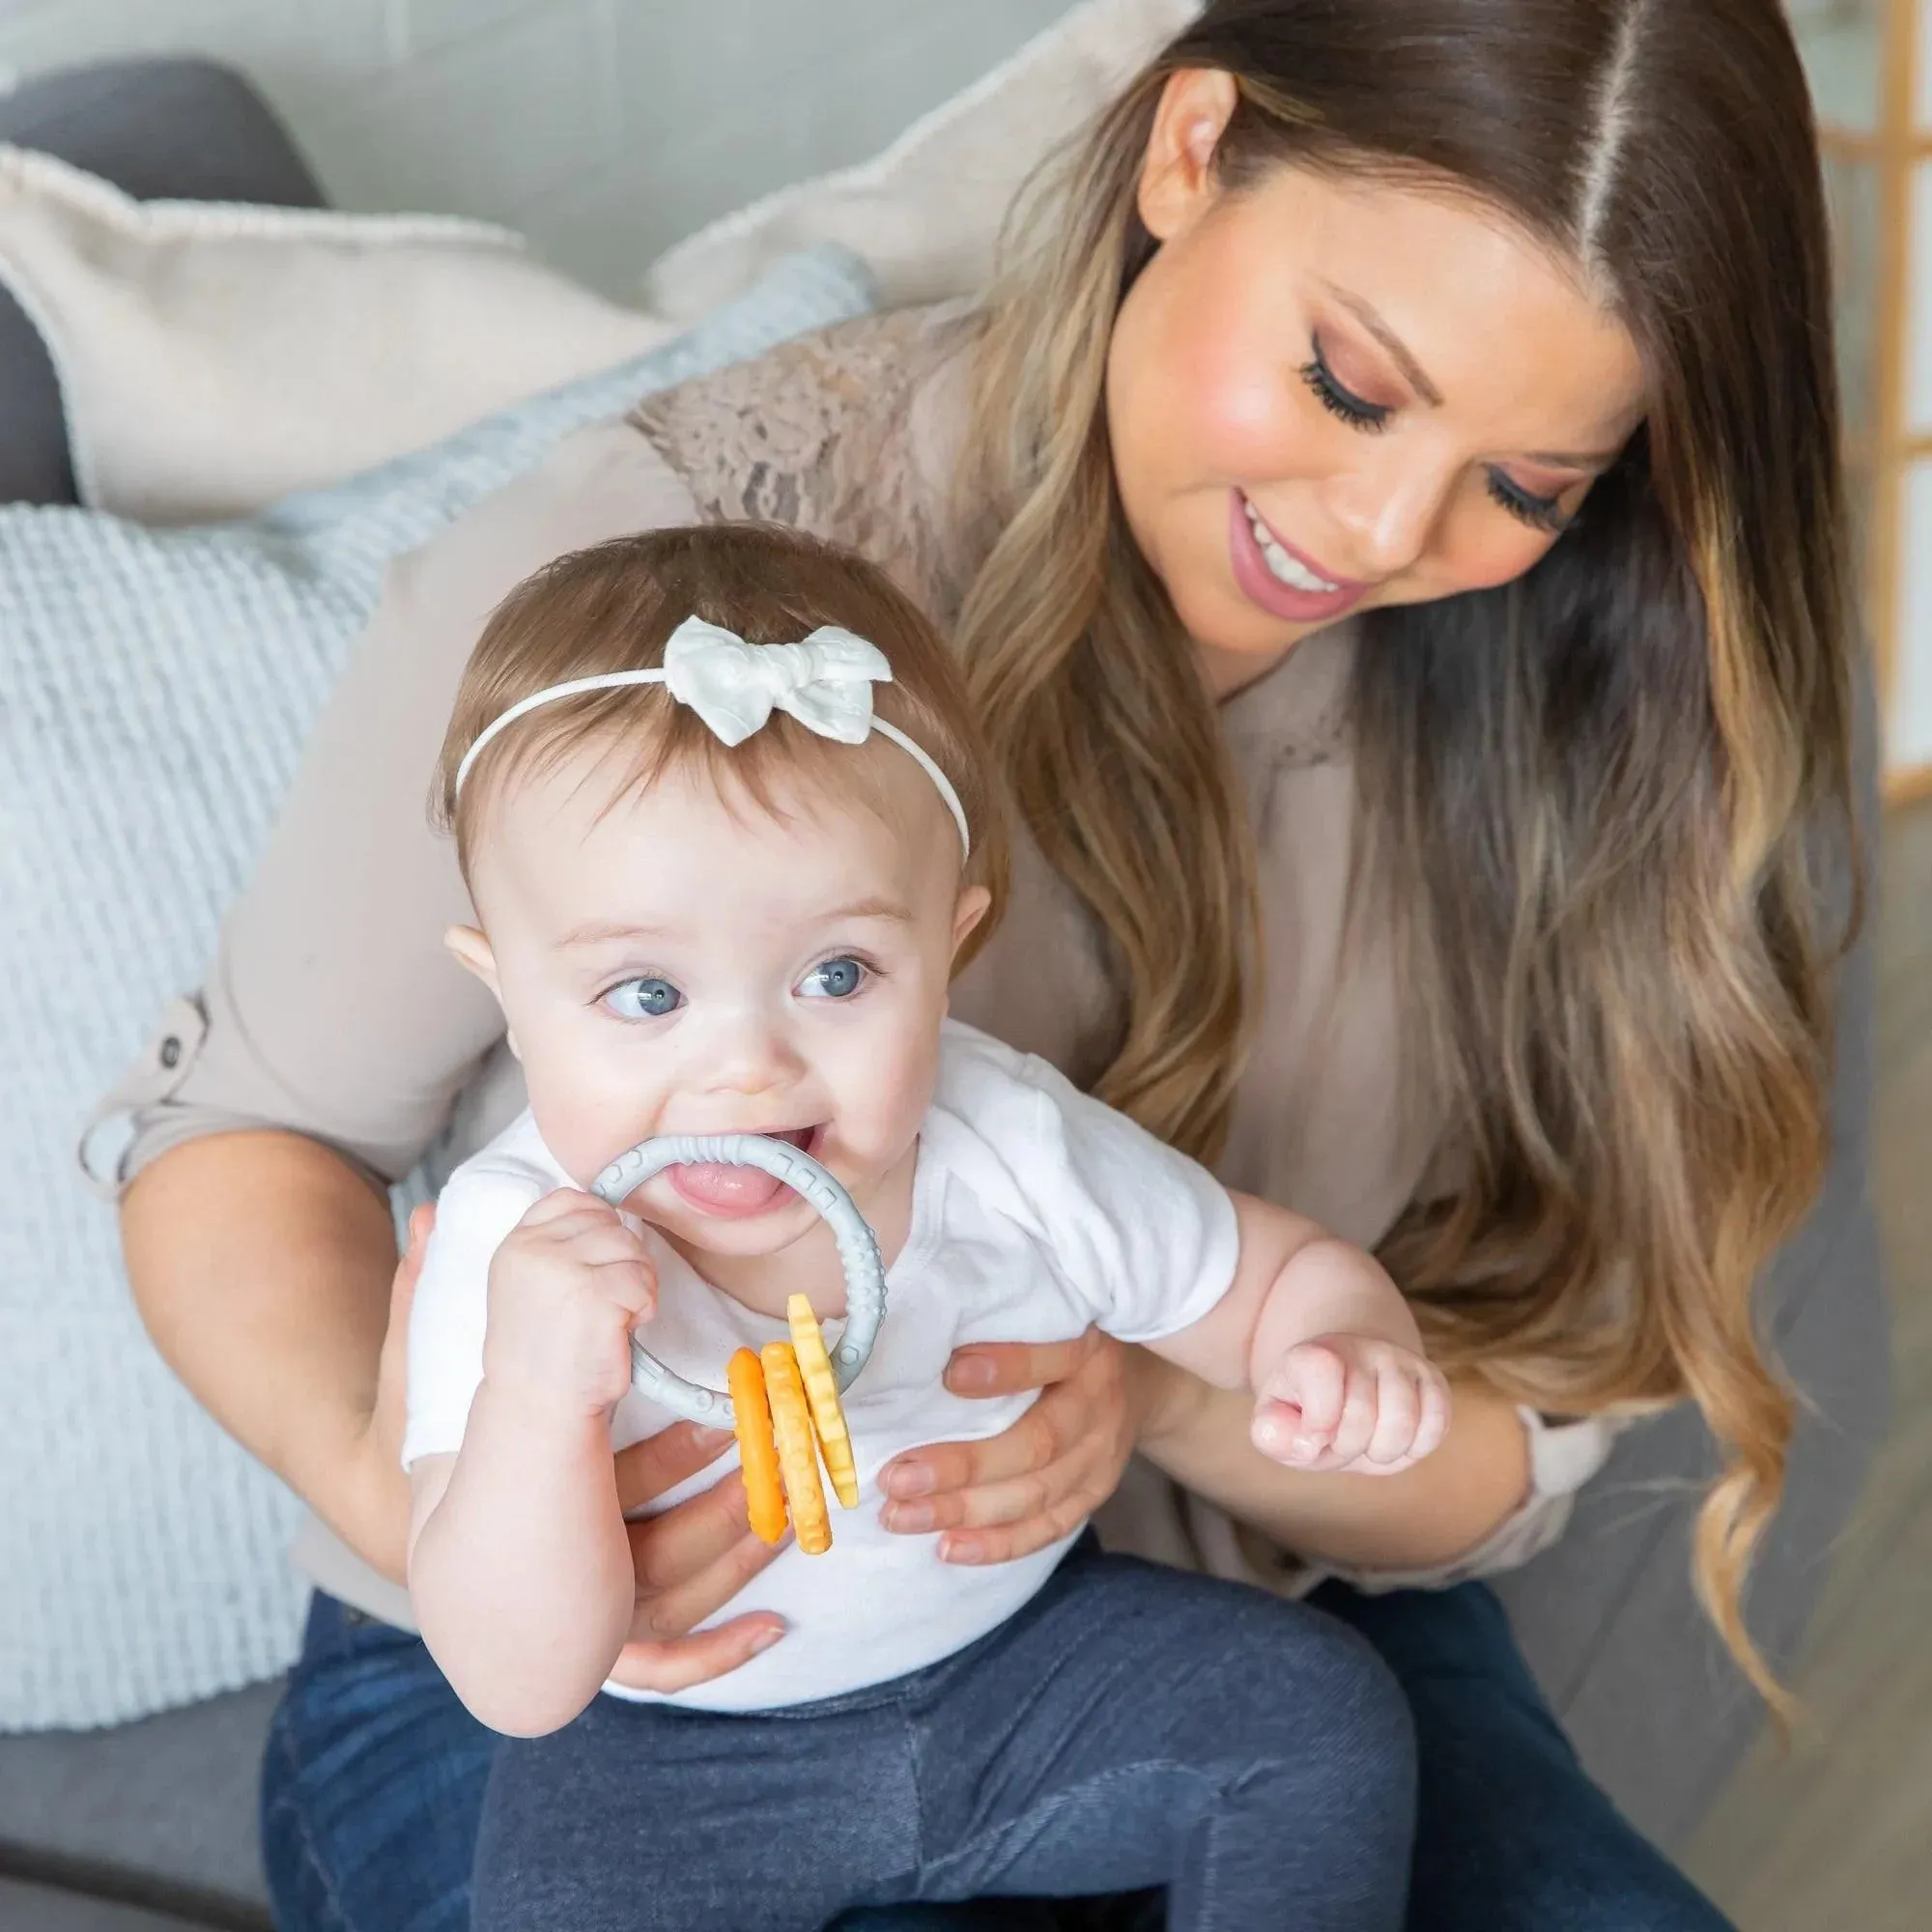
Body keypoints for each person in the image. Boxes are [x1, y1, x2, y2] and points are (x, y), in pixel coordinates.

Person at [95, 3, 1853, 1928]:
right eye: (1349, 383)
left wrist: (1160, 1391)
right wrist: (442, 1507)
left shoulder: (1569, 705)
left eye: (1526, 482)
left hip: (1194, 1603)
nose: (1378, 531)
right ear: (1189, 150)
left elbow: (1493, 1446)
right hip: (615, 1671)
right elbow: (242, 1142)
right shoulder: (665, 599)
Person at [412, 524, 1438, 1930]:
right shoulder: (513, 1245)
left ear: (947, 947)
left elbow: (1264, 1280)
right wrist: (534, 1399)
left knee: (1317, 1720)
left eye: (837, 973)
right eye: (645, 996)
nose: (747, 1071)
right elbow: (517, 1681)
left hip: (1019, 1675)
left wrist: (1340, 1338)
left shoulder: (1002, 1139)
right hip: (678, 1767)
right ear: (509, 996)